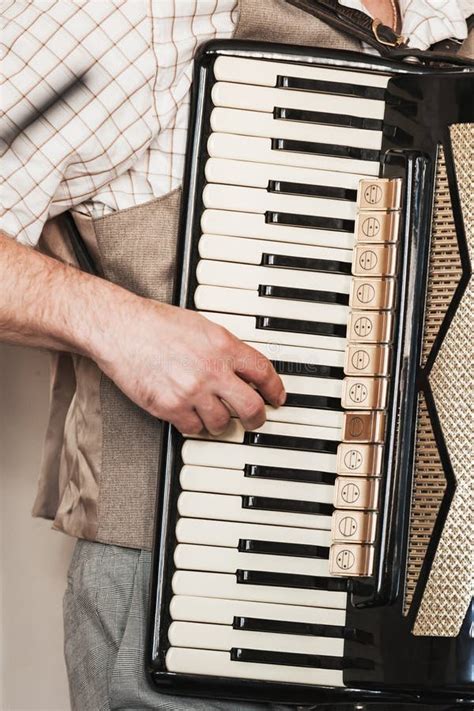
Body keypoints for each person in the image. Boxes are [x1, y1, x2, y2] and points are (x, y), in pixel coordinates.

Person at [1, 1, 472, 709]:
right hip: (197, 599)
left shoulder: (452, 20)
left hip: (438, 619)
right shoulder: (124, 14)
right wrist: (121, 325)